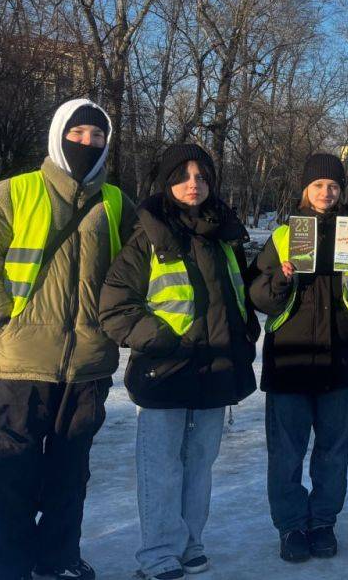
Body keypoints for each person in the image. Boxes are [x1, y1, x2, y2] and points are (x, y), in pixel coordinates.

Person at [0, 99, 135, 580]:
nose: (87, 143)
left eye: (97, 137)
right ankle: (10, 567)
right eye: (78, 133)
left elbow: (144, 263)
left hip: (87, 367)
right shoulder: (11, 193)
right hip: (16, 366)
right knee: (5, 478)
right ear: (58, 134)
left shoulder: (117, 202)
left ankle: (57, 559)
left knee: (68, 477)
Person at [99, 144, 259, 580]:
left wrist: (245, 334)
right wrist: (164, 340)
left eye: (202, 175)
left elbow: (237, 296)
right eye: (184, 175)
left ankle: (191, 544)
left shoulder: (224, 234)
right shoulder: (147, 234)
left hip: (217, 369)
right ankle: (157, 554)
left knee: (200, 465)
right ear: (168, 183)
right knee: (161, 468)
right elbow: (115, 308)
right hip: (165, 370)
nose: (194, 183)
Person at [248, 153, 348, 564]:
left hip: (341, 359)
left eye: (334, 186)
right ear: (306, 189)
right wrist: (281, 279)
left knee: (333, 452)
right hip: (290, 360)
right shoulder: (284, 235)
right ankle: (290, 526)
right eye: (319, 185)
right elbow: (258, 296)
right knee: (286, 454)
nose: (327, 192)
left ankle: (323, 522)